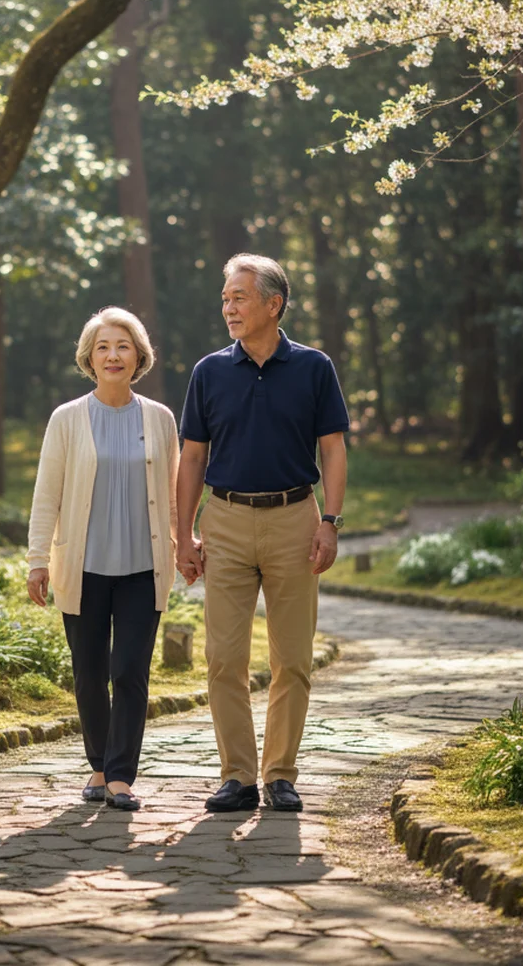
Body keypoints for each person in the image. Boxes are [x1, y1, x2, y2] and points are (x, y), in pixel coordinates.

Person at [176, 254, 349, 813]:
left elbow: (333, 449)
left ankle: (279, 775)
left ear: (273, 304)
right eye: (225, 298)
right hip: (223, 521)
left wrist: (330, 520)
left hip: (295, 518)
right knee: (223, 658)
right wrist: (183, 535)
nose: (228, 307)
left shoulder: (314, 368)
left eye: (239, 297)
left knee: (292, 657)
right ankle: (237, 777)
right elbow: (192, 458)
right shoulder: (208, 372)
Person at [27, 307, 179, 812]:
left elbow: (174, 496)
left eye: (122, 346)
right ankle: (98, 765)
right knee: (89, 671)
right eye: (103, 347)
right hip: (83, 568)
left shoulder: (159, 419)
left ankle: (119, 777)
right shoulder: (67, 419)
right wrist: (37, 560)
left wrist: (188, 544)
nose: (113, 355)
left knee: (130, 670)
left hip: (142, 568)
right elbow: (47, 495)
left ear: (139, 355)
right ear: (89, 358)